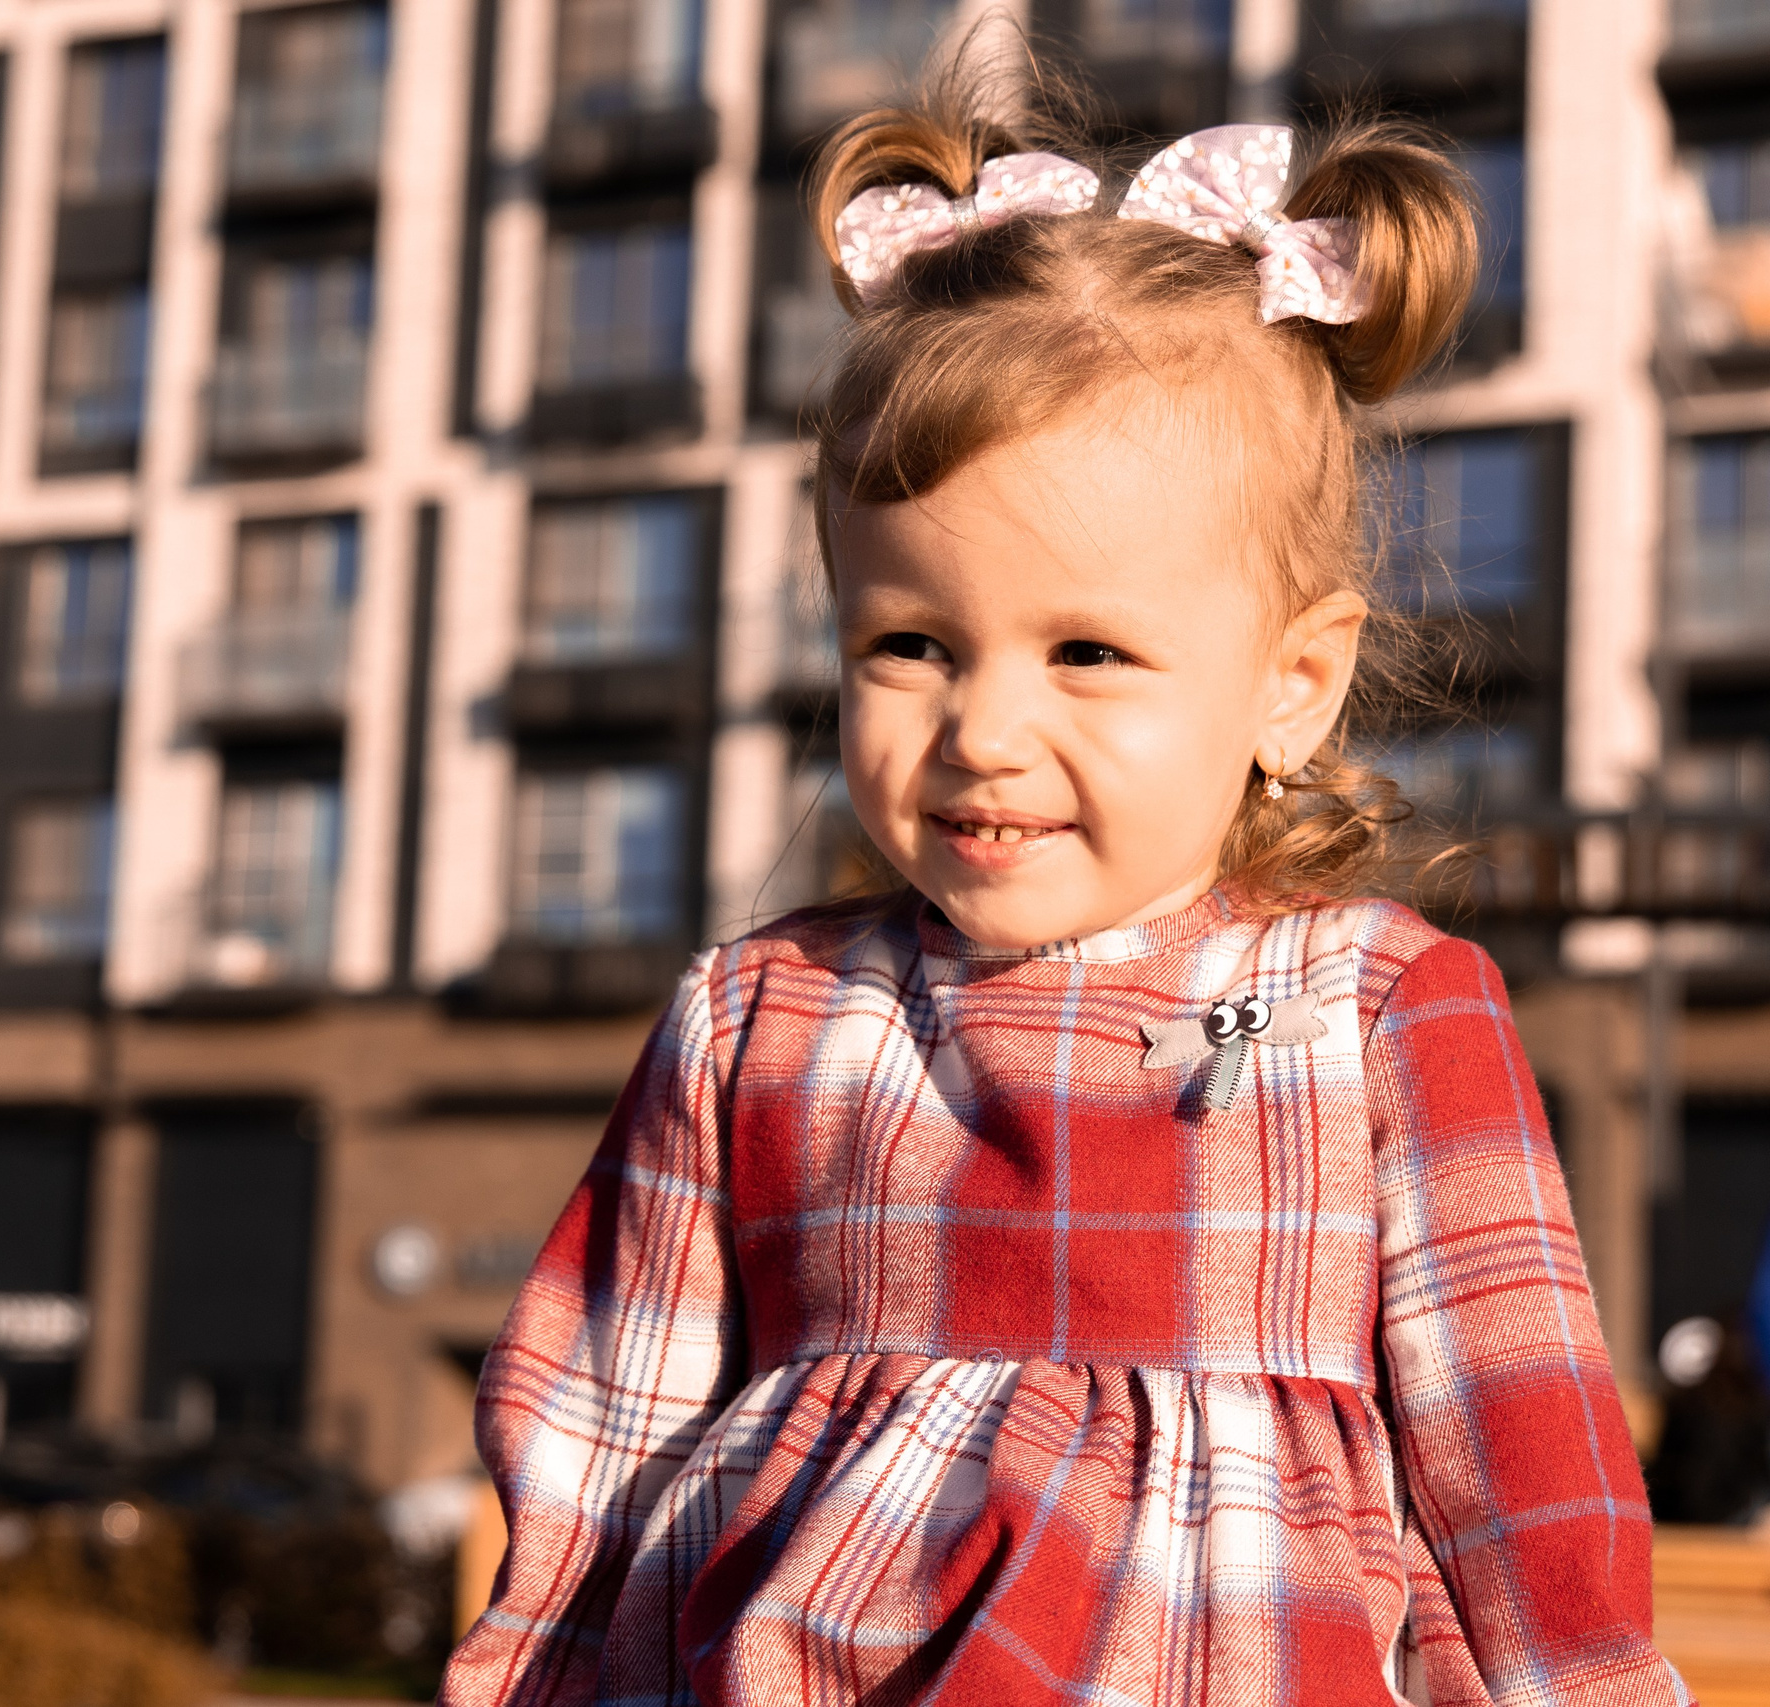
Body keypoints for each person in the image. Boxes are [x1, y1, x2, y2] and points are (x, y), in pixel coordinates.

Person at [439, 66, 1690, 1707]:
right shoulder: (763, 1016)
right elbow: (602, 1427)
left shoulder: (1376, 1008)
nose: (983, 729)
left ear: (1291, 684)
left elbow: (1518, 1459)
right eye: (909, 644)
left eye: (1087, 651)